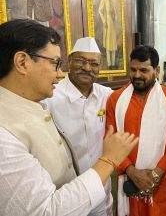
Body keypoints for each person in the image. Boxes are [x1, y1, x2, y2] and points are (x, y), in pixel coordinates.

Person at [0, 19, 138, 216]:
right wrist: (109, 160)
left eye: (94, 63)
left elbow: (132, 96)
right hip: (74, 198)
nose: (59, 74)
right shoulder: (6, 133)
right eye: (55, 63)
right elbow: (46, 211)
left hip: (95, 191)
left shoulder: (34, 104)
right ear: (22, 62)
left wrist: (162, 88)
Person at [106, 45, 166, 216]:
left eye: (143, 70)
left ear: (156, 71)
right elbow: (110, 138)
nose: (137, 75)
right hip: (129, 179)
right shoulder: (116, 99)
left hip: (163, 181)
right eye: (133, 69)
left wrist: (156, 175)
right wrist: (132, 172)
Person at [44, 37, 114, 216]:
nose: (87, 68)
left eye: (93, 63)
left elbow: (135, 98)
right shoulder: (50, 96)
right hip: (65, 195)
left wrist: (163, 88)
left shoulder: (107, 95)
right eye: (81, 61)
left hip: (101, 189)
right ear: (69, 60)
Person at [98, 0, 118, 68]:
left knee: (113, 44)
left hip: (112, 23)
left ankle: (113, 63)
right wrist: (104, 21)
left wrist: (115, 16)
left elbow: (115, 11)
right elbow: (100, 10)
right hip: (107, 23)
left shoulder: (112, 0)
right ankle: (109, 64)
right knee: (108, 43)